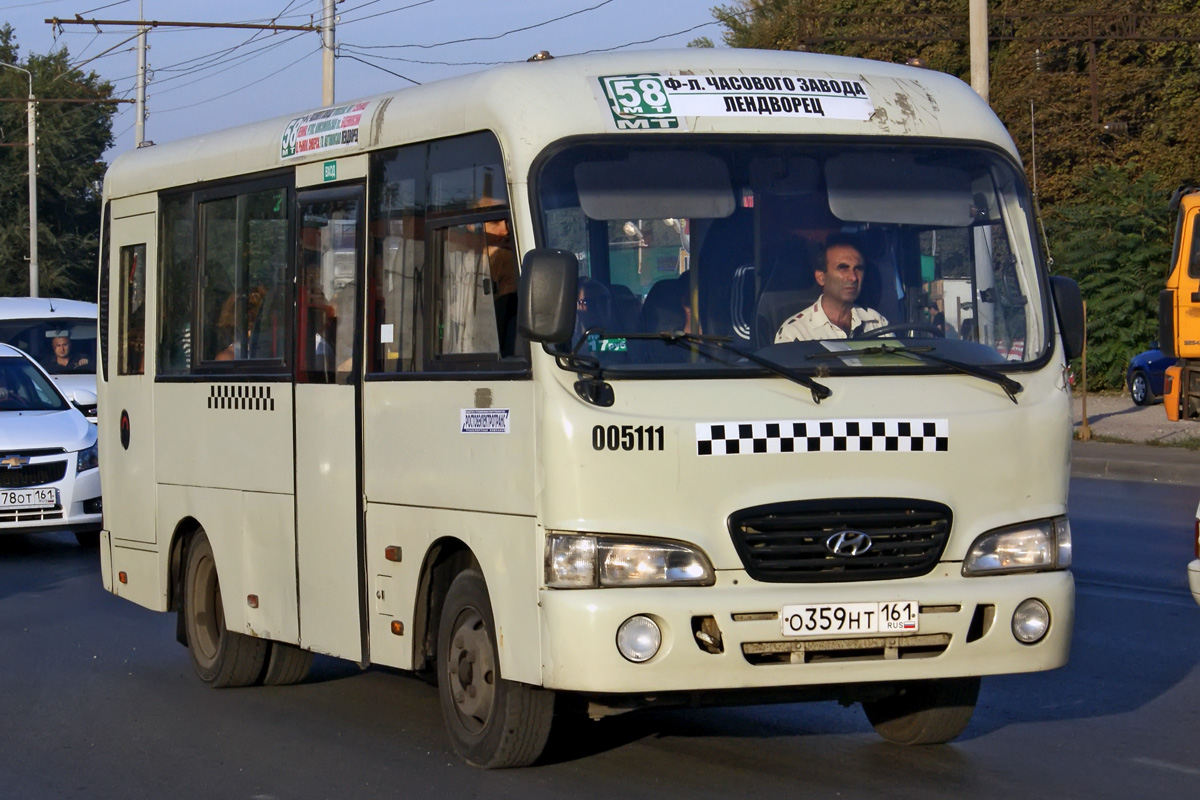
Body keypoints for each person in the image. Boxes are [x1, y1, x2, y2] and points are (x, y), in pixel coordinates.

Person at [774, 234, 888, 342]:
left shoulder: (877, 323)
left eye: (858, 269)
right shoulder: (796, 332)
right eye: (843, 268)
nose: (853, 278)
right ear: (821, 278)